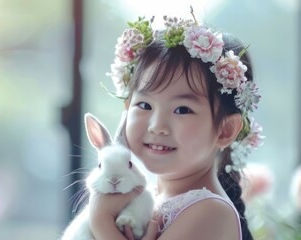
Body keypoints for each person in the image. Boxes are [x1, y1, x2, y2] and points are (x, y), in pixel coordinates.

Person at [89, 11, 264, 240]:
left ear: (225, 130)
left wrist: (100, 223)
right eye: (144, 104)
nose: (157, 126)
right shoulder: (148, 199)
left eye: (182, 110)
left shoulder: (210, 212)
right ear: (127, 108)